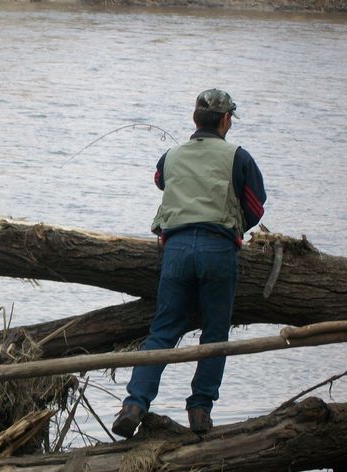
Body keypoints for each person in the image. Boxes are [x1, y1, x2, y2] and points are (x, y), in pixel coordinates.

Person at [111, 89, 267, 438]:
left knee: (162, 332)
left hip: (177, 251)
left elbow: (160, 181)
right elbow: (256, 207)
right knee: (214, 335)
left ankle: (134, 405)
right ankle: (200, 411)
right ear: (226, 120)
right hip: (218, 251)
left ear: (195, 119)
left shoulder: (170, 156)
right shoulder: (238, 157)